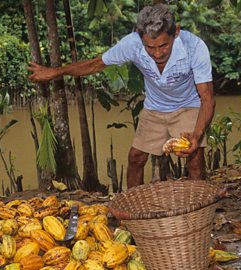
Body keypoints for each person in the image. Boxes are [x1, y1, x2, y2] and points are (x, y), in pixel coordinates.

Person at [27, 3, 215, 189]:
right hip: (154, 107)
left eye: (164, 46)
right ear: (139, 37)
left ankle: (199, 207)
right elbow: (95, 64)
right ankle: (134, 210)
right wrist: (56, 72)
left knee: (195, 159)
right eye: (150, 47)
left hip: (187, 105)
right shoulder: (132, 44)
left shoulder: (194, 47)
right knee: (135, 158)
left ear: (176, 32)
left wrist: (196, 135)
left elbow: (207, 98)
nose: (157, 53)